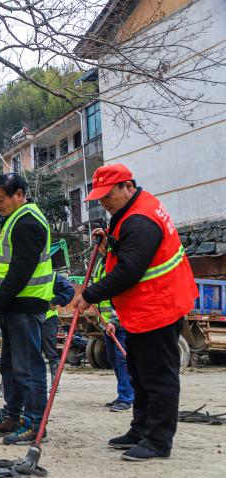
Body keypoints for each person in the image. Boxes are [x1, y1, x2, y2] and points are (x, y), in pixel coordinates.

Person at [72, 163, 197, 461]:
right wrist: (110, 243)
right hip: (144, 309)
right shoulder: (132, 210)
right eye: (100, 198)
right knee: (139, 373)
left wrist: (89, 295)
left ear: (128, 186)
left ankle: (158, 440)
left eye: (108, 196)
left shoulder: (141, 220)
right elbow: (130, 253)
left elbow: (129, 271)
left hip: (159, 306)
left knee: (158, 377)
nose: (104, 203)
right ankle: (141, 428)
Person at [0, 173, 53, 445]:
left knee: (28, 366)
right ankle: (12, 415)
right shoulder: (14, 219)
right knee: (10, 366)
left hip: (26, 304)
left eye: (2, 200)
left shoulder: (28, 221)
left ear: (19, 195)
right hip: (14, 306)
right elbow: (12, 255)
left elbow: (21, 271)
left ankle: (35, 423)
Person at [93, 258, 134, 412]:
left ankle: (127, 397)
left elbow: (121, 293)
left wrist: (114, 319)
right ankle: (125, 393)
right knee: (113, 359)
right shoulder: (102, 263)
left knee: (122, 359)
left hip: (119, 323)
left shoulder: (117, 261)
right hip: (107, 323)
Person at [42, 273, 75, 387]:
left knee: (51, 353)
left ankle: (54, 384)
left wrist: (54, 301)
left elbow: (69, 291)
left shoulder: (53, 276)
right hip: (30, 319)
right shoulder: (26, 272)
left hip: (48, 319)